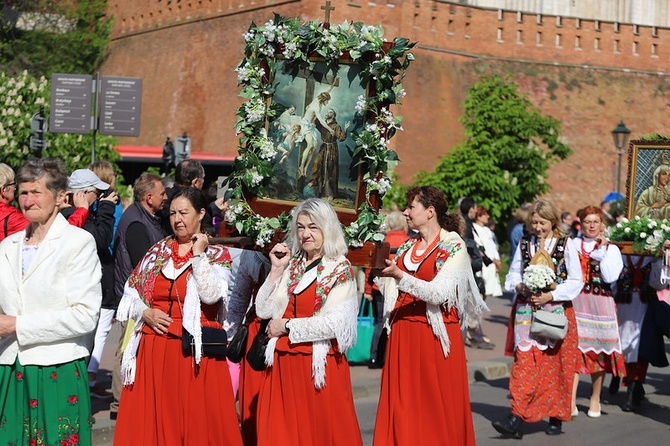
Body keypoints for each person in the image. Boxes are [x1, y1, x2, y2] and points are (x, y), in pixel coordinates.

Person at [113, 187, 242, 445]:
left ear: (201, 213)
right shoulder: (157, 252)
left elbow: (211, 295)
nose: (177, 219)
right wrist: (146, 312)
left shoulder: (216, 254)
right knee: (155, 424)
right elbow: (130, 294)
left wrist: (198, 256)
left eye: (184, 212)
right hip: (154, 349)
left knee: (195, 423)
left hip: (193, 353)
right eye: (172, 213)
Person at [0, 158, 102, 444]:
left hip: (57, 367)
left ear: (60, 197)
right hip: (10, 366)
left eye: (37, 192)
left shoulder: (77, 243)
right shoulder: (7, 246)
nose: (28, 200)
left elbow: (84, 315)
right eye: (23, 192)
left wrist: (17, 326)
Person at [373, 186, 486, 445]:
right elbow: (392, 287)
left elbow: (439, 293)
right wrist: (382, 273)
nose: (406, 212)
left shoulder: (453, 244)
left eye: (411, 207)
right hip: (403, 332)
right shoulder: (407, 246)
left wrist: (400, 276)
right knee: (403, 405)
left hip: (433, 336)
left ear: (430, 211)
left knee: (434, 407)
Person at [255, 198, 362, 446]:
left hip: (316, 367)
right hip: (283, 363)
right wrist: (275, 271)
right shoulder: (293, 265)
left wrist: (287, 326)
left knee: (320, 434)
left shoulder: (339, 268)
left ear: (327, 228)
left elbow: (336, 324)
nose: (305, 234)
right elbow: (263, 309)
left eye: (313, 227)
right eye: (301, 227)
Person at [493, 199, 584, 438]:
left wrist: (551, 294)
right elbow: (512, 275)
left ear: (552, 221)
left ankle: (556, 415)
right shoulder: (525, 243)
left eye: (542, 223)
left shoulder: (566, 244)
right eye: (534, 223)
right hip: (526, 312)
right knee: (524, 363)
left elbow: (577, 280)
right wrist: (521, 286)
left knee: (556, 365)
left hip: (557, 311)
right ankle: (516, 416)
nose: (538, 227)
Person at [109, 172, 167, 420]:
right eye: (162, 193)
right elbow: (144, 264)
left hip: (140, 299)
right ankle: (119, 404)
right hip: (134, 300)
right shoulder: (136, 223)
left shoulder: (147, 218)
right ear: (149, 197)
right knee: (127, 349)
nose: (165, 197)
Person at [63, 168, 120, 398]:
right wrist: (106, 209)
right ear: (85, 192)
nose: (99, 197)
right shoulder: (70, 215)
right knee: (80, 350)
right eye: (97, 192)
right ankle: (74, 397)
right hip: (78, 294)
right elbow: (99, 239)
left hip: (88, 290)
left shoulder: (78, 213)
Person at [569, 206, 625, 418]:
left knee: (599, 351)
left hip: (601, 304)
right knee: (575, 350)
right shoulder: (572, 245)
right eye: (587, 222)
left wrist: (601, 252)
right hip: (577, 302)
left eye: (595, 222)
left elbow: (610, 276)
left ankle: (595, 397)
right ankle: (571, 399)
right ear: (580, 224)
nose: (591, 226)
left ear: (602, 225)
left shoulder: (611, 250)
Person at [609, 245, 670, 412]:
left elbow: (658, 284)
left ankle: (632, 389)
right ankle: (619, 375)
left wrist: (659, 260)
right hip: (623, 307)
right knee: (621, 345)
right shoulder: (620, 254)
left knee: (641, 348)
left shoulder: (652, 258)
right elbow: (613, 282)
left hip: (644, 307)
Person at [224, 250, 271, 445]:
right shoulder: (251, 254)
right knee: (254, 404)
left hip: (290, 331)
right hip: (257, 334)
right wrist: (229, 337)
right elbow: (239, 298)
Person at [363, 210, 410, 369]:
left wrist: (368, 290)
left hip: (380, 288)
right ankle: (395, 357)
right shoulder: (409, 242)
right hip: (400, 288)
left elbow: (370, 268)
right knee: (397, 322)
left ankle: (375, 357)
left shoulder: (382, 241)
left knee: (380, 322)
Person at [459, 196, 495, 349]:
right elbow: (467, 245)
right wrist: (476, 253)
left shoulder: (466, 223)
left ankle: (473, 334)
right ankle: (473, 335)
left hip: (468, 270)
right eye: (474, 207)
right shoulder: (465, 224)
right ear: (471, 208)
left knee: (471, 303)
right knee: (471, 305)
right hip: (467, 270)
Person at [307, 108, 350, 200]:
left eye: (330, 112)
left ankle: (330, 193)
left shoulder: (336, 126)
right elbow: (316, 124)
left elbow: (341, 138)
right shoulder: (323, 123)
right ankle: (314, 181)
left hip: (332, 149)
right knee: (317, 162)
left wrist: (345, 129)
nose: (327, 113)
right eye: (327, 112)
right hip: (324, 147)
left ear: (333, 115)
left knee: (330, 170)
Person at [297, 92, 334, 184]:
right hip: (306, 125)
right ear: (324, 100)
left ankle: (306, 168)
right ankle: (301, 167)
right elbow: (321, 121)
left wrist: (332, 85)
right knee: (309, 145)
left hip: (311, 126)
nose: (327, 103)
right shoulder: (316, 107)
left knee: (314, 147)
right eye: (327, 101)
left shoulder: (318, 100)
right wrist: (330, 129)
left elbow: (327, 91)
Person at [473, 205, 503, 298]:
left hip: (491, 265)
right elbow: (479, 248)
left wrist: (497, 261)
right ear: (478, 216)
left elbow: (493, 247)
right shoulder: (474, 229)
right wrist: (493, 260)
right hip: (483, 264)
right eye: (485, 214)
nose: (488, 217)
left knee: (486, 293)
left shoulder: (487, 230)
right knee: (480, 291)